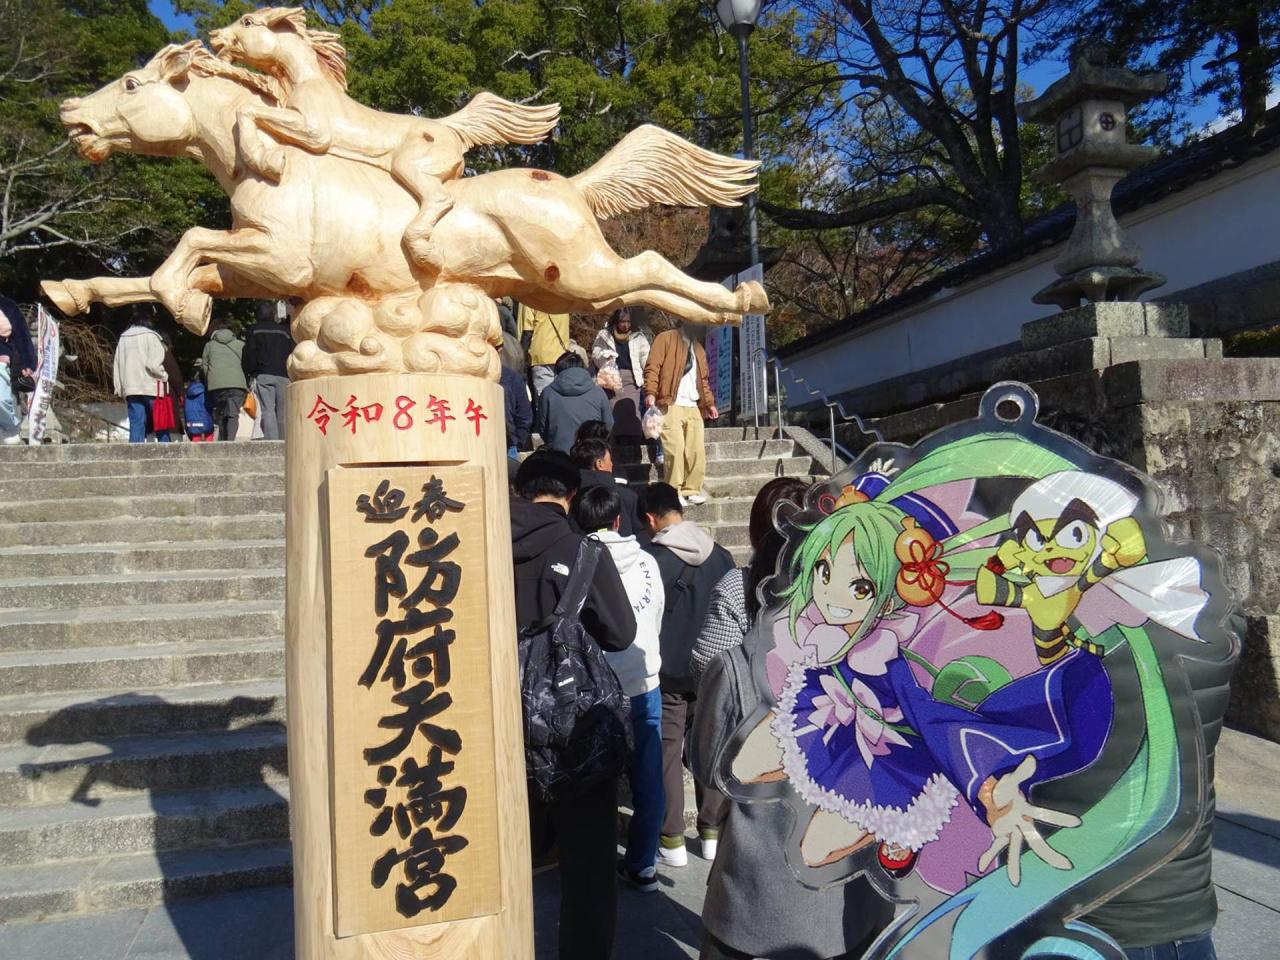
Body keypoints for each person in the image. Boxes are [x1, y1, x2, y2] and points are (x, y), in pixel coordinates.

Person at [511, 450, 637, 960]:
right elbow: (621, 633)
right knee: (588, 871)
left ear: (520, 492)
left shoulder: (478, 545)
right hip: (569, 728)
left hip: (496, 724)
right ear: (571, 495)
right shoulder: (584, 551)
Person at [571, 484, 667, 894]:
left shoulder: (578, 562)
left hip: (597, 688)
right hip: (644, 679)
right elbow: (657, 612)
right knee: (648, 778)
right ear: (617, 520)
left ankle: (591, 863)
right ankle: (643, 864)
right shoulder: (646, 561)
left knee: (594, 778)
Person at [639, 481, 734, 868]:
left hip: (668, 671)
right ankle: (711, 832)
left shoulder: (650, 559)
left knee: (667, 751)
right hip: (713, 668)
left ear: (650, 518)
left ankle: (672, 837)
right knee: (711, 746)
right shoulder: (722, 555)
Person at [690, 477, 810, 687]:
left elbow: (710, 667)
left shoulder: (739, 586)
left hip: (758, 703)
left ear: (756, 529)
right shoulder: (838, 579)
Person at [643, 323, 717, 505]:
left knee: (696, 451)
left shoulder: (698, 348)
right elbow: (653, 367)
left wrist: (709, 403)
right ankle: (673, 491)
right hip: (670, 403)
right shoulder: (665, 338)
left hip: (693, 405)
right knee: (674, 450)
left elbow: (703, 380)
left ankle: (692, 489)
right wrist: (651, 392)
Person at [591, 308, 651, 442]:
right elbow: (595, 353)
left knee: (631, 410)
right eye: (622, 322)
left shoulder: (638, 336)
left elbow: (646, 358)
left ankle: (633, 440)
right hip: (611, 379)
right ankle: (614, 439)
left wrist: (647, 377)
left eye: (628, 322)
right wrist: (604, 357)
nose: (625, 325)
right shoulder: (604, 335)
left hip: (632, 379)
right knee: (613, 410)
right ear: (616, 321)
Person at [535, 352, 612, 454]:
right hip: (591, 454)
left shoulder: (548, 393)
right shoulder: (598, 393)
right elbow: (608, 425)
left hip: (559, 454)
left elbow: (542, 427)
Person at [112, 307, 169, 444]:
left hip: (131, 387)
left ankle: (135, 453)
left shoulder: (123, 338)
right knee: (161, 423)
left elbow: (117, 364)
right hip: (151, 386)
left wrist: (118, 387)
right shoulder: (152, 336)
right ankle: (167, 451)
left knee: (136, 424)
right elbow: (154, 365)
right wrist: (164, 376)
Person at [570, 438, 645, 541]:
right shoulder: (627, 496)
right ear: (599, 464)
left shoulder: (567, 497)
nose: (612, 464)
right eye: (610, 460)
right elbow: (640, 534)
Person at [241, 300, 295, 441]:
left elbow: (249, 354)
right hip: (284, 375)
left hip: (263, 374)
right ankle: (285, 443)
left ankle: (273, 443)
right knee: (283, 412)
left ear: (257, 315)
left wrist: (251, 372)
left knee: (268, 410)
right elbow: (292, 351)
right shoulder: (285, 331)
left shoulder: (254, 330)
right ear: (272, 314)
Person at [202, 319, 247, 441]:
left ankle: (222, 443)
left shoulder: (209, 346)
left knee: (221, 414)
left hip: (217, 385)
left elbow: (205, 367)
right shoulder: (240, 345)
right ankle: (230, 442)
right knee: (233, 414)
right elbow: (246, 364)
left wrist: (210, 380)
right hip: (237, 385)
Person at [518, 302, 571, 400]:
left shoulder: (530, 299)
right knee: (560, 398)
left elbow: (527, 331)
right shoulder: (562, 297)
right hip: (562, 356)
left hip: (541, 356)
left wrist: (521, 359)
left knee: (543, 398)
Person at [500, 344, 533, 467]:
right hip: (509, 443)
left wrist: (517, 440)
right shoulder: (512, 377)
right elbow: (525, 416)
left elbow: (524, 416)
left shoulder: (511, 377)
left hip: (509, 444)